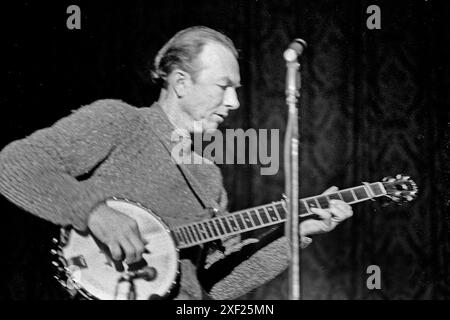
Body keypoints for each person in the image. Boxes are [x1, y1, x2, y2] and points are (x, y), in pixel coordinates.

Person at [0, 26, 352, 299]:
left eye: (237, 89)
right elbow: (13, 166)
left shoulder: (208, 175)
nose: (234, 103)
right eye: (223, 86)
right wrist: (94, 212)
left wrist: (292, 235)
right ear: (181, 82)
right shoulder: (119, 121)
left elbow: (217, 283)